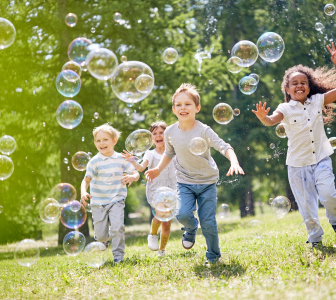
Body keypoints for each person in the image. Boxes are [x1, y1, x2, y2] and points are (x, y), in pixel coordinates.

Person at [252, 42, 336, 248]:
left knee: (329, 195)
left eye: (303, 82)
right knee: (307, 208)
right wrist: (263, 117)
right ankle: (315, 239)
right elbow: (272, 120)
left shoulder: (317, 100)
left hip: (321, 158)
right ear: (287, 89)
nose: (299, 85)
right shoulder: (285, 108)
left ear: (309, 86)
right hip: (298, 165)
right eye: (294, 83)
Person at [145, 83, 245, 264]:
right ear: (174, 109)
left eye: (188, 104)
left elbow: (224, 146)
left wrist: (234, 161)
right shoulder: (170, 132)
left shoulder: (204, 130)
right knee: (182, 214)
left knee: (209, 223)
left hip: (207, 182)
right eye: (179, 104)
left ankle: (213, 256)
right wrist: (157, 169)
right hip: (184, 182)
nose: (183, 107)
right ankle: (191, 228)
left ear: (197, 107)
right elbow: (169, 153)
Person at [81, 123, 139, 263]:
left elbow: (135, 172)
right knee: (100, 236)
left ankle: (118, 256)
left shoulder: (121, 158)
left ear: (114, 141)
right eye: (98, 141)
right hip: (98, 203)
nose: (102, 143)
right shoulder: (94, 162)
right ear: (95, 143)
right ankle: (104, 241)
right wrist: (83, 191)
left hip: (116, 200)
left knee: (118, 227)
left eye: (105, 139)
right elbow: (86, 180)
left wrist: (132, 177)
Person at [122, 121, 176, 258]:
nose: (158, 136)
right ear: (151, 138)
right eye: (154, 134)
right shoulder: (150, 154)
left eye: (161, 133)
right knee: (160, 213)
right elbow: (140, 168)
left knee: (167, 224)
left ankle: (162, 250)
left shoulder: (174, 151)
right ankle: (152, 234)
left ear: (167, 134)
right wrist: (132, 161)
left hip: (172, 190)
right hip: (156, 190)